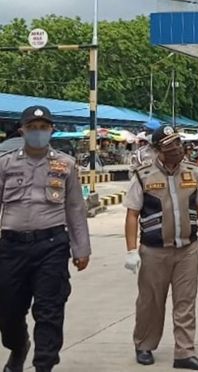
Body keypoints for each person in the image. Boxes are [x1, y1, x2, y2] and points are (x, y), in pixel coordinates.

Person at [0, 105, 91, 372]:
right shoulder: (5, 164)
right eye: (32, 128)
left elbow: (75, 208)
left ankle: (44, 365)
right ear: (22, 130)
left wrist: (81, 248)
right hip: (11, 246)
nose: (38, 133)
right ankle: (18, 347)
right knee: (8, 310)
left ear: (51, 130)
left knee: (50, 309)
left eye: (43, 128)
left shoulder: (66, 164)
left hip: (51, 246)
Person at [123, 125, 198, 370]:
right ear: (156, 149)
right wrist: (131, 251)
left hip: (187, 249)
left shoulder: (193, 172)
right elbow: (132, 214)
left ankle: (184, 352)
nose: (176, 148)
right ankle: (144, 344)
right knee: (151, 301)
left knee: (186, 302)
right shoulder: (143, 175)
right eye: (169, 145)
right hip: (154, 251)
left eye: (177, 142)